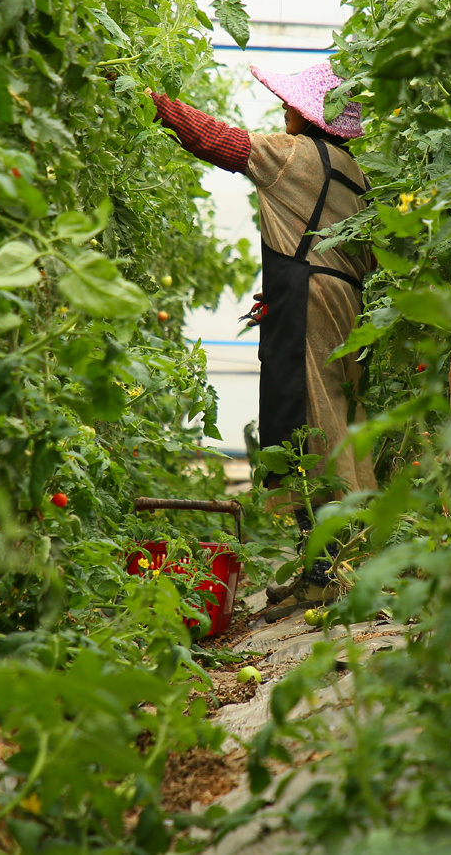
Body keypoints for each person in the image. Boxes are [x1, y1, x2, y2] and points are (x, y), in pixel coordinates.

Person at [146, 62, 376, 617]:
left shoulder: (291, 155)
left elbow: (214, 140)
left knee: (306, 424)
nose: (283, 110)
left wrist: (150, 101)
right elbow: (357, 256)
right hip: (341, 300)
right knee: (330, 421)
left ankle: (329, 574)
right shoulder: (355, 174)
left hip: (308, 303)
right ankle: (319, 567)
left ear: (307, 113)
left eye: (290, 104)